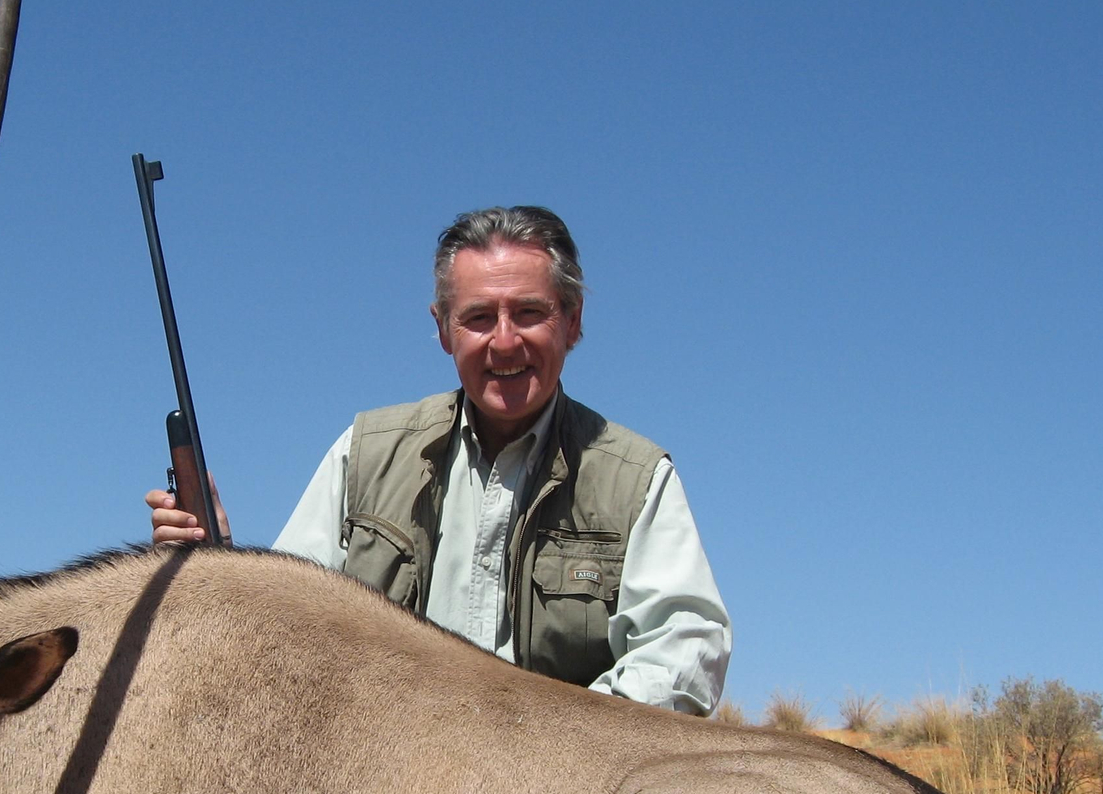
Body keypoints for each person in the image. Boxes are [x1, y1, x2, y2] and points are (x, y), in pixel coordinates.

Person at [145, 206, 729, 714]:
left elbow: (685, 645)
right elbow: (287, 628)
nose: (504, 342)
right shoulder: (366, 452)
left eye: (529, 312)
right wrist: (226, 567)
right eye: (478, 317)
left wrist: (558, 752)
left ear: (572, 321)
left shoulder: (635, 477)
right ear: (444, 329)